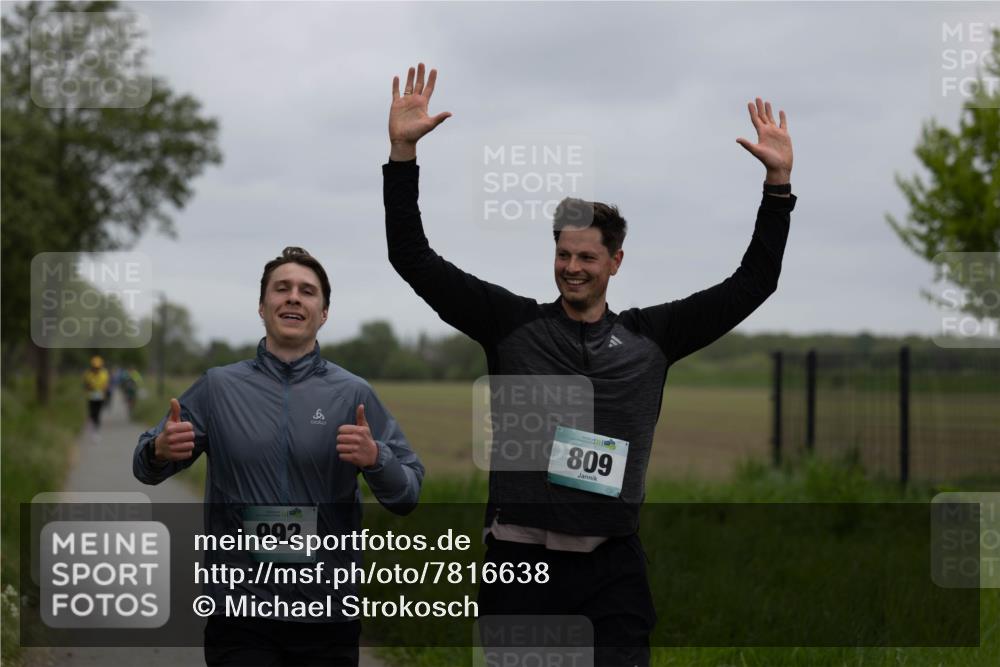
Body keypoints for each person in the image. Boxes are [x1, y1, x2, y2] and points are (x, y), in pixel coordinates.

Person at [383, 63, 796, 666]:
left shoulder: (652, 338)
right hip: (520, 561)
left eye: (587, 257)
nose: (572, 268)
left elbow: (754, 282)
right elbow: (412, 256)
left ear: (615, 262)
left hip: (611, 565)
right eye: (563, 254)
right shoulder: (510, 325)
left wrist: (778, 185)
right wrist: (402, 156)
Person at [133, 246, 424, 667]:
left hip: (327, 610)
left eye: (307, 291)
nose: (293, 297)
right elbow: (145, 468)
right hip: (240, 610)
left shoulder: (353, 394)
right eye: (281, 288)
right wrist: (158, 451)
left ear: (324, 313)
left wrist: (377, 458)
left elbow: (408, 493)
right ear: (262, 306)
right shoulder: (218, 387)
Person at [82, 355, 110, 430]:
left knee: (98, 411)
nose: (96, 369)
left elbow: (106, 385)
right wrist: (89, 388)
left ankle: (96, 425)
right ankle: (93, 422)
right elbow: (85, 385)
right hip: (91, 396)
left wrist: (104, 391)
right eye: (95, 367)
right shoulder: (88, 374)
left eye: (98, 367)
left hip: (100, 396)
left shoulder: (104, 374)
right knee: (92, 412)